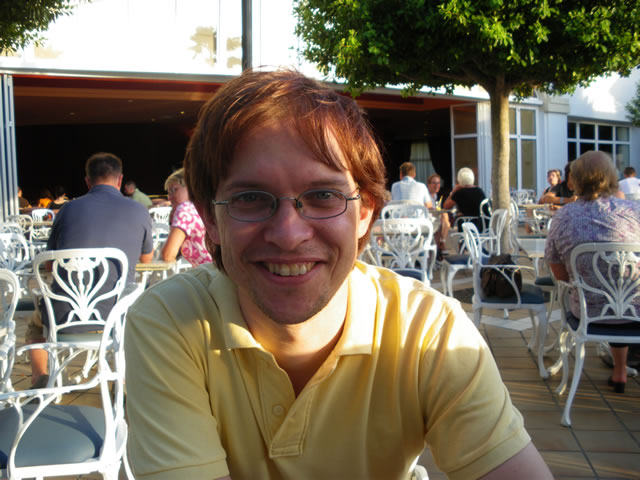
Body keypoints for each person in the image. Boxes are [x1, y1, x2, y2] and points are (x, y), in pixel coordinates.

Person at [125, 70, 552, 479]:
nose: (288, 235)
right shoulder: (172, 321)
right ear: (210, 220)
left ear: (365, 213)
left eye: (323, 195)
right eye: (251, 198)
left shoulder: (428, 331)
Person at [26, 152, 154, 388]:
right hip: (116, 315)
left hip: (62, 316)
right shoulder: (138, 210)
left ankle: (40, 378)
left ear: (87, 181)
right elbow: (147, 258)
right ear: (120, 179)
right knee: (136, 305)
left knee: (35, 326)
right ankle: (123, 381)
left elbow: (49, 265)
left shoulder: (68, 210)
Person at [546, 151, 640, 393]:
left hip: (588, 313)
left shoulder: (563, 217)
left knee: (596, 293)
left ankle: (615, 371)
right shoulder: (635, 212)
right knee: (622, 290)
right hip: (635, 312)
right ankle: (620, 372)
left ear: (574, 180)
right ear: (612, 178)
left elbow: (559, 275)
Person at [161, 168, 212, 266]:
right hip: (217, 269)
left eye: (173, 190)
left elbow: (168, 255)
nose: (169, 197)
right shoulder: (202, 206)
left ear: (190, 187)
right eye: (168, 193)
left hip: (208, 272)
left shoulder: (185, 209)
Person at [442, 167, 487, 232]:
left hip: (467, 225)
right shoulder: (480, 191)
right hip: (481, 225)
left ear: (460, 180)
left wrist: (453, 192)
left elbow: (446, 206)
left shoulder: (460, 192)